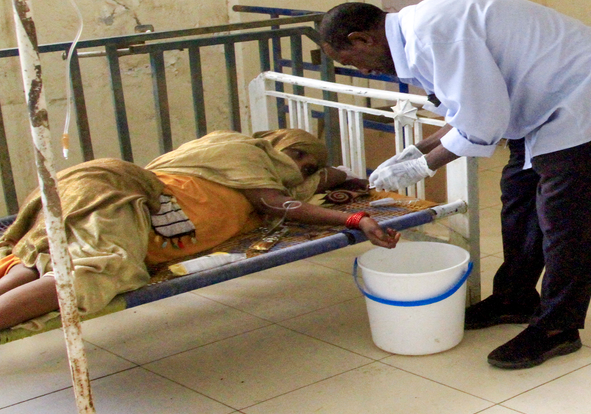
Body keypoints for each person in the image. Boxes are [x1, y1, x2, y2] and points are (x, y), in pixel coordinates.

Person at [318, 0, 591, 369]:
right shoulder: (417, 35)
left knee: (566, 214)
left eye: (351, 61)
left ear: (362, 39)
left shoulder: (432, 35)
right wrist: (418, 150)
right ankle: (514, 298)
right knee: (519, 197)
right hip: (545, 94)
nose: (362, 71)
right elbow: (466, 110)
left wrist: (423, 167)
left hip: (586, 85)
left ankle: (559, 326)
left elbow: (482, 125)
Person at [0, 129, 396, 331]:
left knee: (43, 258)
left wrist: (329, 176)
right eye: (299, 159)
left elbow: (329, 178)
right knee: (95, 272)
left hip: (96, 190)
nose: (300, 171)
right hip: (125, 195)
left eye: (309, 170)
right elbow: (275, 202)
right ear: (280, 145)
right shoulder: (244, 153)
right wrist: (354, 219)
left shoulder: (256, 170)